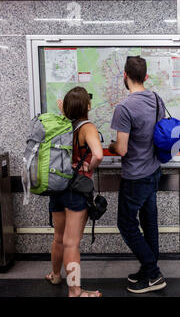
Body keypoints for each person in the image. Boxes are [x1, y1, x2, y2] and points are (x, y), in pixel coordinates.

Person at [109, 56, 167, 293]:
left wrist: (111, 146)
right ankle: (147, 268)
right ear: (145, 77)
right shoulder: (156, 98)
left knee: (126, 224)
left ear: (125, 76)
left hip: (135, 176)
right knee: (148, 221)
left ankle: (153, 273)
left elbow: (121, 149)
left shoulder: (124, 108)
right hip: (153, 171)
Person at [45, 87, 103, 297]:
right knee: (72, 243)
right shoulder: (87, 128)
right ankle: (75, 290)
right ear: (87, 106)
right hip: (76, 189)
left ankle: (55, 274)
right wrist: (90, 166)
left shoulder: (62, 124)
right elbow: (97, 154)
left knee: (59, 237)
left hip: (57, 186)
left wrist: (64, 110)